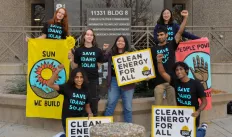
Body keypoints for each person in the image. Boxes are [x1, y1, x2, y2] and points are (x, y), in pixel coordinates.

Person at [156, 57, 207, 137]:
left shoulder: (196, 84)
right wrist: (159, 61)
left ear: (186, 71)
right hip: (180, 116)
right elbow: (162, 73)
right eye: (177, 70)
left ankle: (203, 129)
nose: (179, 71)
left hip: (193, 116)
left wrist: (198, 111)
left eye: (181, 69)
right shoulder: (175, 82)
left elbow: (204, 102)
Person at [150, 10, 189, 106]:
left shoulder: (171, 45)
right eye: (158, 35)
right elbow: (148, 65)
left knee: (173, 107)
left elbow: (180, 32)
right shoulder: (153, 49)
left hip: (171, 82)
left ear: (166, 35)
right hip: (158, 83)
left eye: (162, 34)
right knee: (157, 109)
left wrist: (185, 18)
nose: (159, 37)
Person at [69, 28, 108, 116]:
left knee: (94, 101)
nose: (89, 36)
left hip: (93, 80)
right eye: (87, 34)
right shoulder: (79, 50)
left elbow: (97, 66)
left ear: (93, 37)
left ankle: (93, 119)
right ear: (84, 37)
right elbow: (74, 67)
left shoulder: (98, 51)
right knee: (81, 101)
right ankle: (81, 120)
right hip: (80, 81)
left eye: (91, 35)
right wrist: (71, 59)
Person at [47, 65, 93, 137]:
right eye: (77, 77)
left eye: (81, 77)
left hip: (79, 121)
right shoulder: (67, 87)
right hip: (68, 120)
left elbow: (87, 106)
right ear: (73, 78)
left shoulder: (86, 90)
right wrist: (57, 71)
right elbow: (50, 84)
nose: (79, 79)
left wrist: (90, 113)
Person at [103, 35, 136, 123]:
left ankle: (129, 130)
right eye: (118, 41)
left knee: (128, 107)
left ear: (125, 43)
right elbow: (102, 58)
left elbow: (137, 68)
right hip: (114, 81)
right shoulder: (111, 53)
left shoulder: (130, 53)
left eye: (122, 41)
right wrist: (104, 50)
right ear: (116, 42)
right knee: (110, 104)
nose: (120, 42)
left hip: (128, 82)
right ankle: (105, 127)